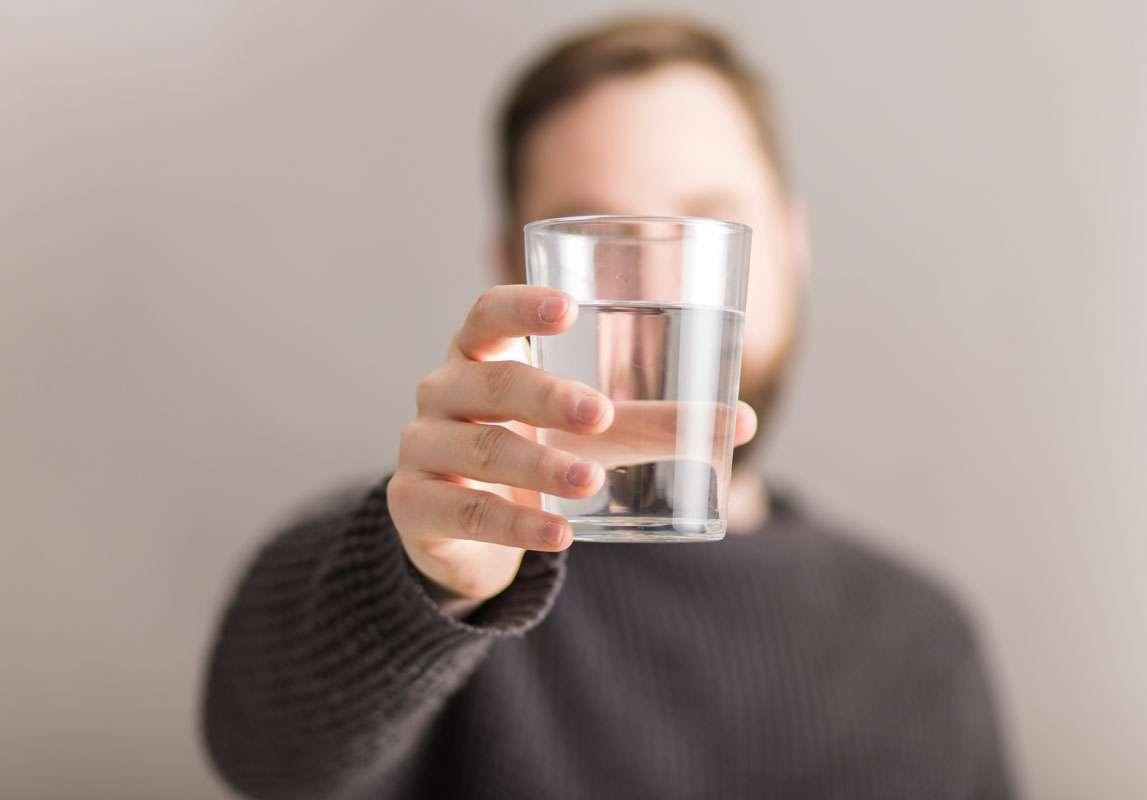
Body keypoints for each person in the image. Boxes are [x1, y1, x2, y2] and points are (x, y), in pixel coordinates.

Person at [202, 16, 1015, 799]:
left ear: (793, 245)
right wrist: (425, 583)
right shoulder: (420, 552)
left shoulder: (922, 641)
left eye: (707, 223)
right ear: (514, 271)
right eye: (601, 242)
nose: (656, 284)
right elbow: (262, 753)